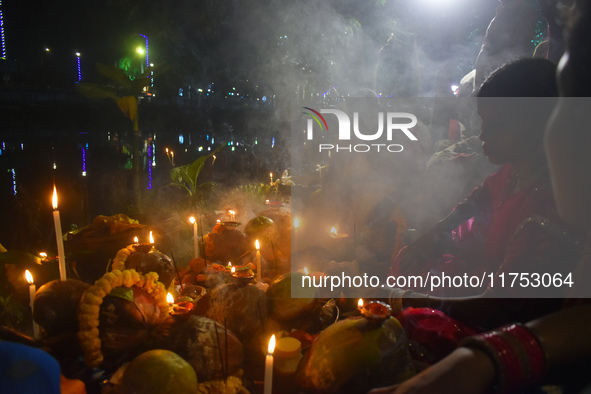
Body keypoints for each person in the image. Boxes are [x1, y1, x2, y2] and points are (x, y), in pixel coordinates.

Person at [370, 1, 591, 392]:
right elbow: (472, 203)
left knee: (416, 315)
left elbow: (499, 302)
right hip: (489, 290)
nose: (484, 136)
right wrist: (433, 234)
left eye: (499, 125)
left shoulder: (545, 212)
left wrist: (424, 301)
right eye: (483, 123)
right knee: (416, 258)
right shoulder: (508, 176)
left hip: (495, 311)